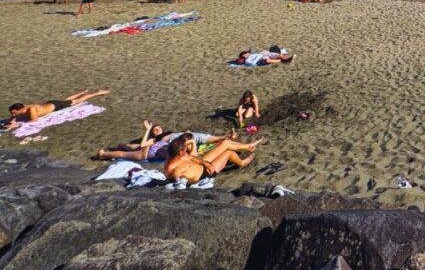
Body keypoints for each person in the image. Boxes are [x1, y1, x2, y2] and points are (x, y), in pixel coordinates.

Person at [94, 122, 233, 161]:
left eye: (158, 127)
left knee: (198, 137)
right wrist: (148, 130)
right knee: (125, 153)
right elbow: (142, 145)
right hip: (148, 151)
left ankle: (224, 137)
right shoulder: (154, 139)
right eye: (155, 129)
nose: (157, 129)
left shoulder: (170, 138)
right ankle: (104, 153)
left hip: (161, 148)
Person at [163, 133, 260, 184]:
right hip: (204, 175)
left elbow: (192, 158)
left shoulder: (179, 155)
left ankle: (248, 147)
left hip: (204, 165)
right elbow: (183, 183)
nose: (185, 152)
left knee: (224, 143)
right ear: (180, 153)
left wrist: (205, 164)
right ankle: (241, 163)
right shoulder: (172, 170)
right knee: (228, 153)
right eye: (184, 150)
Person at [4, 89, 111, 130]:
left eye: (14, 113)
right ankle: (81, 93)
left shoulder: (31, 109)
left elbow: (34, 120)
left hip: (55, 106)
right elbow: (12, 120)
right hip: (50, 104)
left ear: (19, 109)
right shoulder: (21, 109)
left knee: (77, 102)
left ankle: (98, 93)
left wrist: (16, 124)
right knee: (67, 102)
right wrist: (11, 120)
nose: (13, 115)